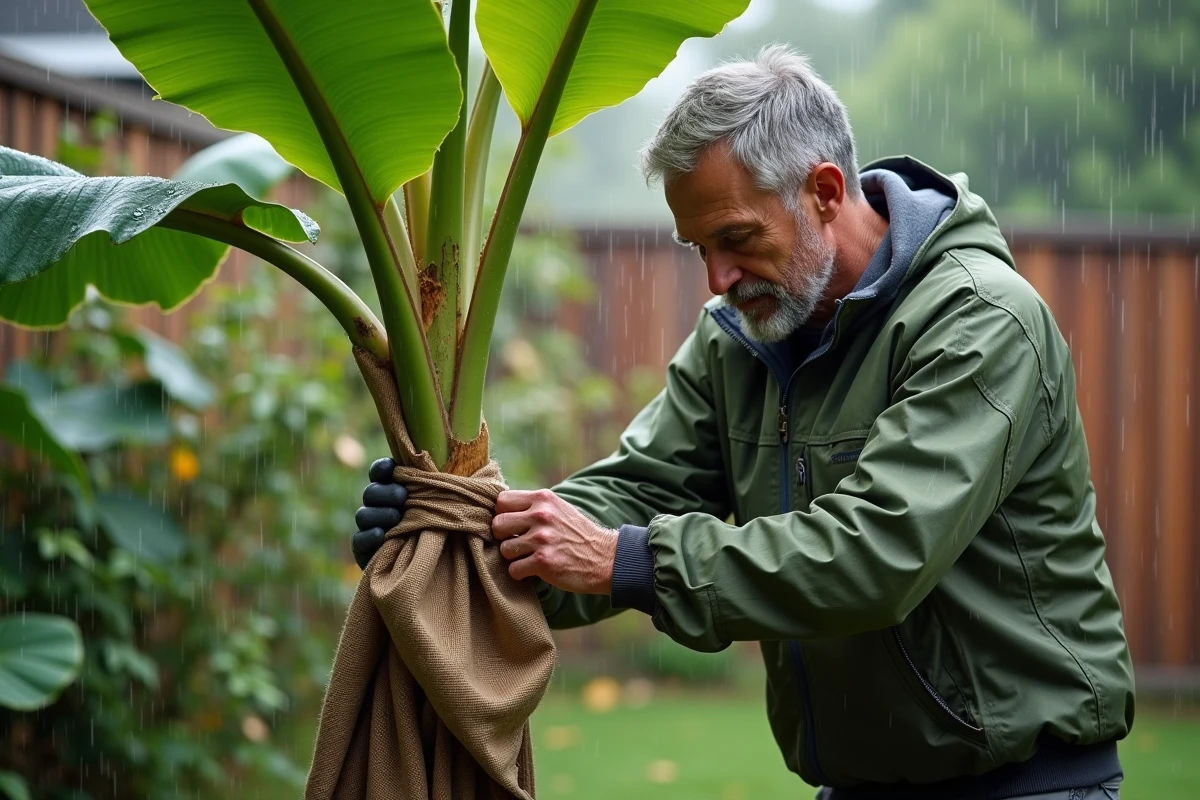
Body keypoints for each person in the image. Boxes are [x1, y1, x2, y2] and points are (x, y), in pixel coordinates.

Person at [351, 45, 1133, 800]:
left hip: (1024, 786)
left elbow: (878, 554)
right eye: (697, 247)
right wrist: (458, 543)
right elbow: (636, 495)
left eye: (736, 239)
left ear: (825, 191)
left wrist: (630, 563)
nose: (717, 279)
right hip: (860, 785)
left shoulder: (979, 319)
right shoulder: (740, 338)